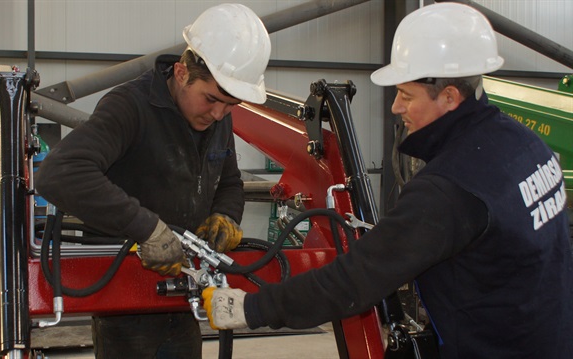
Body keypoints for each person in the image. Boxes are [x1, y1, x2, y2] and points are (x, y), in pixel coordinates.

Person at [202, 3, 573, 358]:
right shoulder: (525, 145)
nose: (395, 107)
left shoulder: (449, 190)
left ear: (448, 96)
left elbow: (353, 282)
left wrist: (250, 308)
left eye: (406, 95)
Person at [35, 3, 271, 359]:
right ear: (180, 72)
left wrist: (225, 216)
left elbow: (230, 182)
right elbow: (59, 174)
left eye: (230, 105)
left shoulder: (216, 118)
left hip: (184, 296)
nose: (220, 114)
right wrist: (147, 228)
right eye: (211, 99)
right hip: (127, 303)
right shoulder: (129, 107)